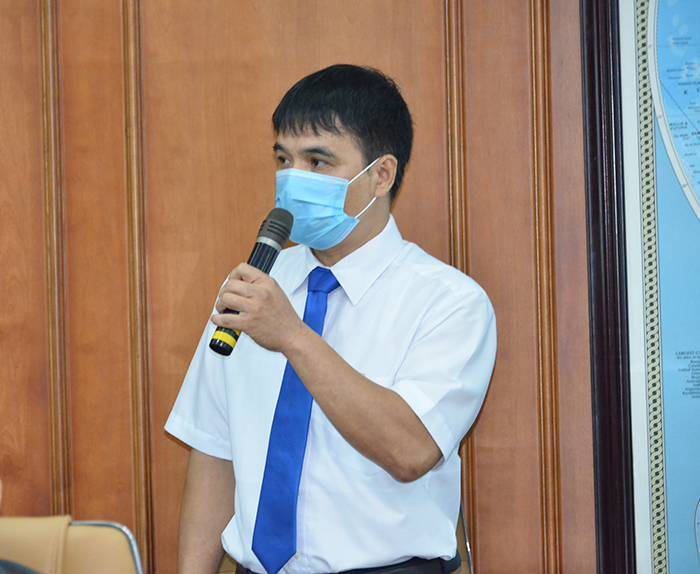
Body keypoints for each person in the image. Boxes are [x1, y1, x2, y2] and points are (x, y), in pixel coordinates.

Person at [165, 64, 497, 574]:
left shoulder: (449, 302)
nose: (292, 179)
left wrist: (292, 336)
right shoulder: (256, 285)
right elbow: (214, 452)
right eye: (284, 159)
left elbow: (410, 450)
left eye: (317, 161)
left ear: (381, 175)